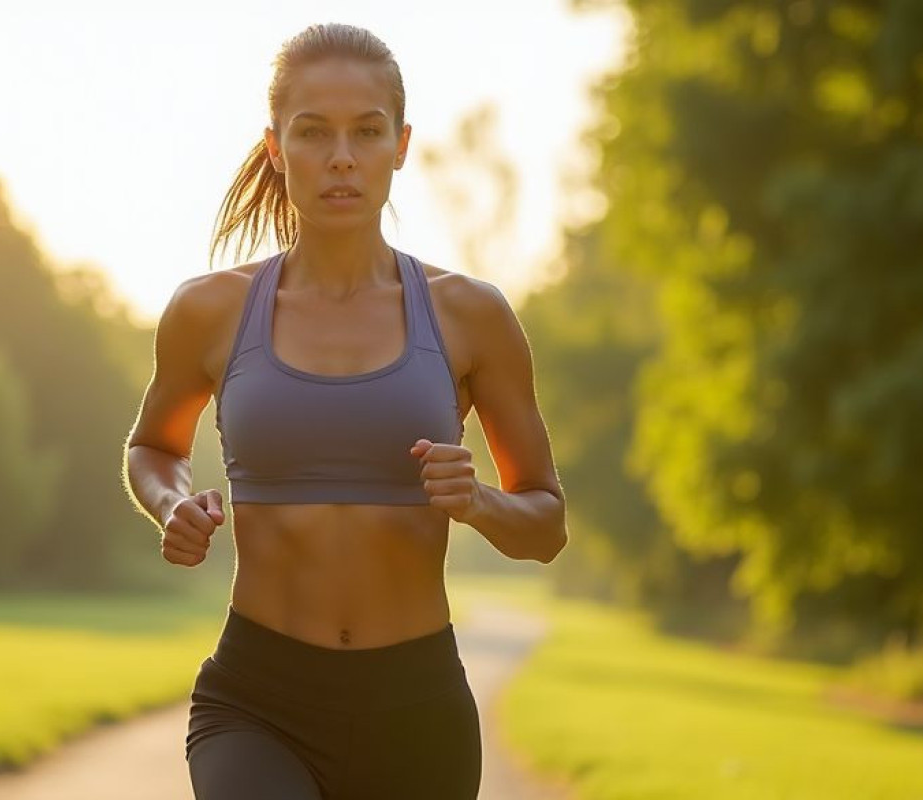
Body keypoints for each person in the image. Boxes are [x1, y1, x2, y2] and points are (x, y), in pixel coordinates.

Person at [122, 22, 567, 800]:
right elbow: (150, 447)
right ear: (274, 146)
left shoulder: (470, 316)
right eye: (314, 132)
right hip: (257, 700)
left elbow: (547, 525)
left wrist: (480, 501)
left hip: (415, 708)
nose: (341, 157)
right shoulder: (209, 311)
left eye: (366, 132)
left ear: (400, 144)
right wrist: (170, 505)